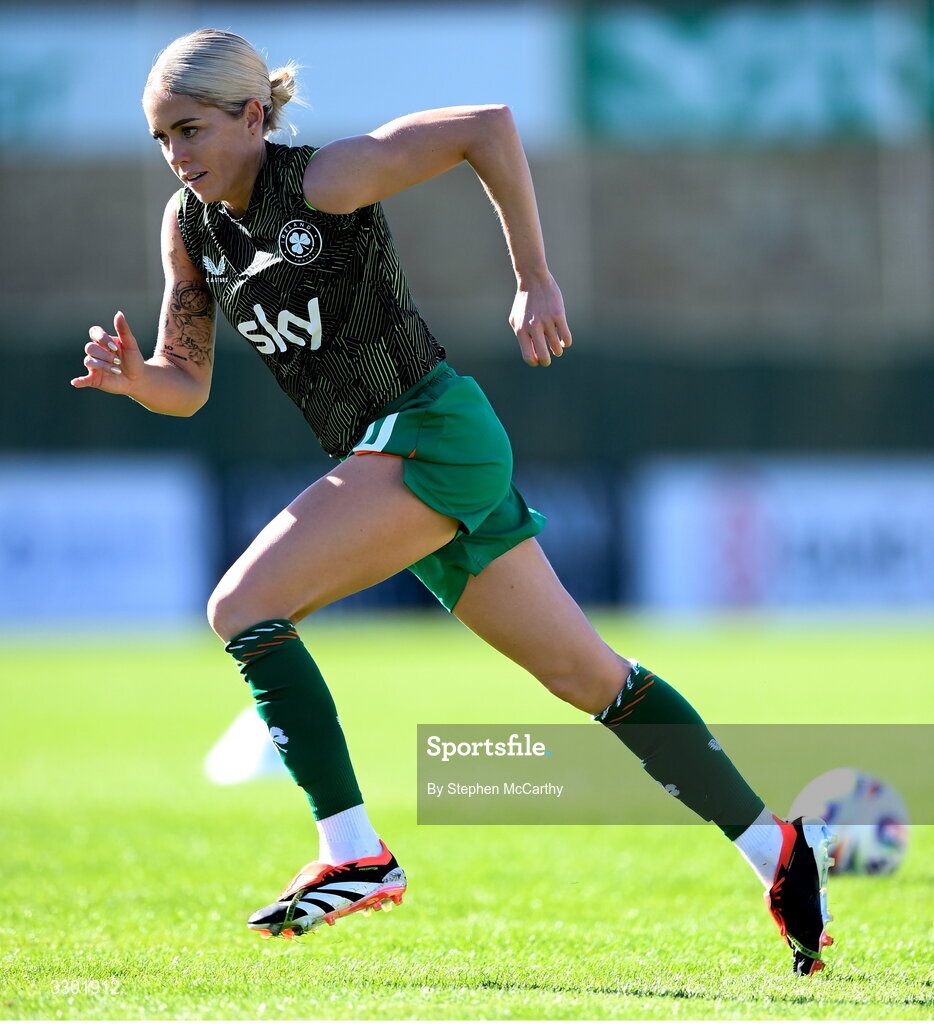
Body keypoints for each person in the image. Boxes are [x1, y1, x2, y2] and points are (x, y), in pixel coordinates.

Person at [72, 28, 833, 975]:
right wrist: (140, 379)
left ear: (252, 115)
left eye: (190, 130)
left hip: (431, 433)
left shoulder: (321, 181)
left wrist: (535, 277)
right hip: (397, 459)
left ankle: (354, 851)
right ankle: (779, 848)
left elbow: (488, 126)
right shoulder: (189, 230)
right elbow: (188, 380)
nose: (177, 156)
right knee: (588, 678)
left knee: (241, 606)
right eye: (161, 139)